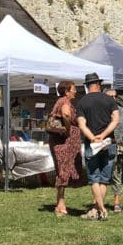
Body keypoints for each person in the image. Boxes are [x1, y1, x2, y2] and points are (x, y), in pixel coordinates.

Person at [75, 72, 120, 220]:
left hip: (92, 144)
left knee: (94, 178)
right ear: (98, 84)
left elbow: (82, 125)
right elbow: (116, 120)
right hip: (108, 142)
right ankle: (98, 209)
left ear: (87, 86)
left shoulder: (82, 102)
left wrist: (93, 137)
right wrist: (104, 134)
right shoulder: (109, 100)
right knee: (103, 179)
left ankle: (100, 209)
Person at [48, 80, 84, 215]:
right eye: (73, 89)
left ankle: (60, 202)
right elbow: (66, 114)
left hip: (61, 142)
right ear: (67, 91)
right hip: (64, 142)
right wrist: (69, 129)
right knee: (63, 170)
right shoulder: (65, 102)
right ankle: (60, 204)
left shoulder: (61, 101)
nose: (75, 91)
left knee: (63, 170)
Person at [104, 85, 123, 212]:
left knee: (116, 174)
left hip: (117, 144)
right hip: (103, 144)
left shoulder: (122, 111)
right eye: (110, 96)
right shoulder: (101, 110)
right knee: (101, 173)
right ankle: (98, 201)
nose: (113, 99)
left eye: (115, 96)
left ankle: (117, 201)